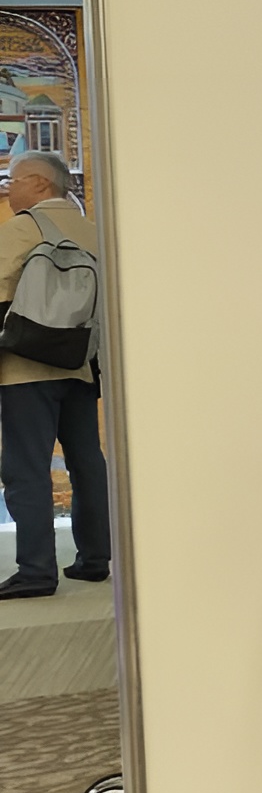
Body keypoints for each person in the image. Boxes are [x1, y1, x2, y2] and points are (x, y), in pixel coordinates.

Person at [0, 153, 110, 599]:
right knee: (87, 462)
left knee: (26, 467)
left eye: (13, 180)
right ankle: (95, 558)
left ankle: (35, 571)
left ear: (41, 184)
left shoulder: (23, 228)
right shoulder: (95, 231)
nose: (8, 188)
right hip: (80, 364)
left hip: (25, 369)